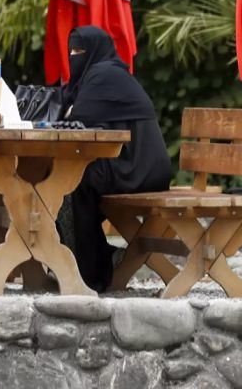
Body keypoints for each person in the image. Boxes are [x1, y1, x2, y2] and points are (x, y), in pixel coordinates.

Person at [63, 26, 172, 292]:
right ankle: (95, 263)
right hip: (127, 163)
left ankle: (90, 271)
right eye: (72, 51)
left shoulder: (105, 74)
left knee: (70, 183)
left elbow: (77, 117)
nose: (74, 56)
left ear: (95, 51)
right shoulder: (96, 73)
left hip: (140, 169)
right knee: (68, 179)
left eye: (79, 51)